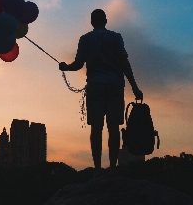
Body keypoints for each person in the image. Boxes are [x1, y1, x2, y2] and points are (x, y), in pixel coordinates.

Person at [59, 9, 143, 176]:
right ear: (105, 20)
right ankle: (112, 168)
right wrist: (134, 86)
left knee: (96, 128)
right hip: (115, 86)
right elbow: (123, 61)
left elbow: (78, 64)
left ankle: (97, 169)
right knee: (114, 127)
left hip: (95, 86)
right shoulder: (116, 37)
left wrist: (66, 67)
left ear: (92, 22)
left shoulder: (85, 39)